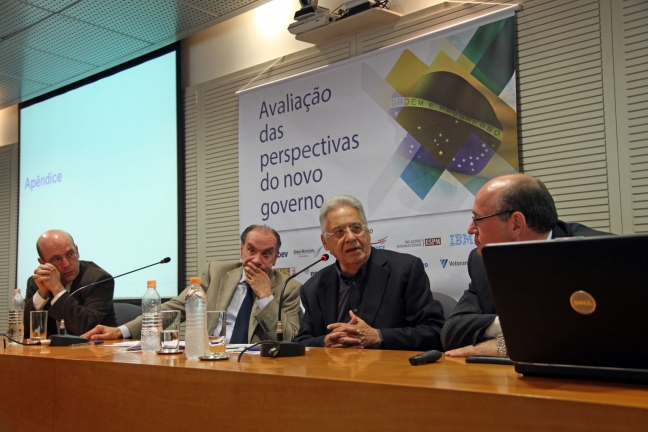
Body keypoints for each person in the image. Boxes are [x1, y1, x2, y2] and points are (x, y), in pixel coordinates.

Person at [442, 174, 610, 357]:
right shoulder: (482, 261)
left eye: (478, 219)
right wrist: (511, 329)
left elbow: (608, 332)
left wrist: (503, 346)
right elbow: (452, 331)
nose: (470, 229)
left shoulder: (598, 255)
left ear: (516, 223)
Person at [82, 225, 301, 343]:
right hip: (209, 358)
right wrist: (122, 331)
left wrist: (265, 297)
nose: (256, 260)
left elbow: (290, 339)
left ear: (275, 258)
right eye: (251, 250)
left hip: (254, 367)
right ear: (241, 250)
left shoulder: (289, 288)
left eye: (266, 254)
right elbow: (176, 307)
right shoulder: (216, 272)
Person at [293, 195, 445, 351]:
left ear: (367, 232)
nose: (350, 237)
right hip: (335, 366)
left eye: (356, 228)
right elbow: (301, 342)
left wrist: (379, 337)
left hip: (388, 366)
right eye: (339, 231)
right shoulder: (313, 288)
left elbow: (435, 332)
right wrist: (325, 342)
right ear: (325, 242)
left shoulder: (405, 270)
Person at [24, 230, 117, 337]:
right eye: (57, 259)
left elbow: (87, 329)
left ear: (77, 251)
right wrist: (41, 294)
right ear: (43, 262)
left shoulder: (99, 279)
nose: (66, 264)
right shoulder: (37, 282)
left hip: (95, 347)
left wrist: (57, 289)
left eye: (70, 254)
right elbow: (23, 332)